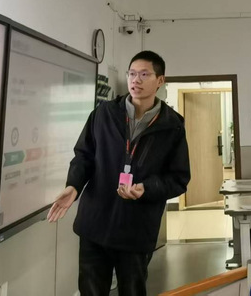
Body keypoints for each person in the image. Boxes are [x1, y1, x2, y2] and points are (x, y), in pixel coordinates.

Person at [47, 51, 190, 296]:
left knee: (132, 290)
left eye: (144, 74)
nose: (136, 80)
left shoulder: (172, 125)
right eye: (132, 74)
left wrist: (147, 188)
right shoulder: (104, 113)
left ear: (160, 80)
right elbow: (83, 155)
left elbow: (178, 178)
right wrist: (74, 185)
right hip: (95, 223)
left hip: (136, 229)